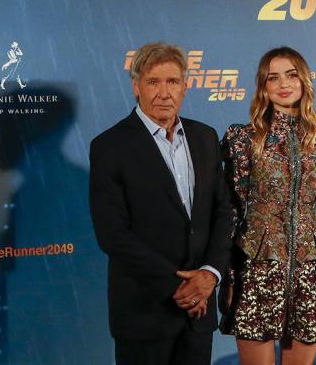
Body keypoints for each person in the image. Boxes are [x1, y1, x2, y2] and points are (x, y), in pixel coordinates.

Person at [89, 42, 232, 365]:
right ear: (136, 86)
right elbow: (113, 234)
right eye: (153, 82)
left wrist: (209, 275)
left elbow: (223, 212)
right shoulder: (110, 146)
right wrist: (181, 288)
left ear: (184, 87)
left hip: (199, 315)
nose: (163, 92)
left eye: (172, 82)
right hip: (144, 313)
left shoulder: (205, 138)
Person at [221, 47, 316, 365]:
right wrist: (228, 276)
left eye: (291, 74)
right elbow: (231, 213)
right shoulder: (243, 139)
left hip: (309, 268)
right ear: (263, 86)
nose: (284, 84)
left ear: (304, 80)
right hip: (255, 266)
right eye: (273, 77)